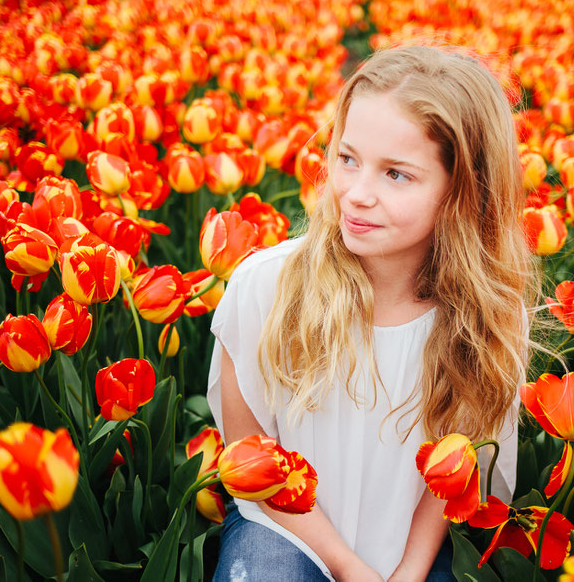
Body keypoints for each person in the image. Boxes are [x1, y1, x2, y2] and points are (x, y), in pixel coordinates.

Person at [206, 45, 537, 581]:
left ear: (462, 189)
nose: (357, 194)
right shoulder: (265, 287)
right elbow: (252, 456)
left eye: (396, 175)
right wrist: (347, 568)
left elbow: (449, 477)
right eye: (347, 158)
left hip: (411, 544)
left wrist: (409, 570)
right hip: (284, 525)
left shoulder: (486, 318)